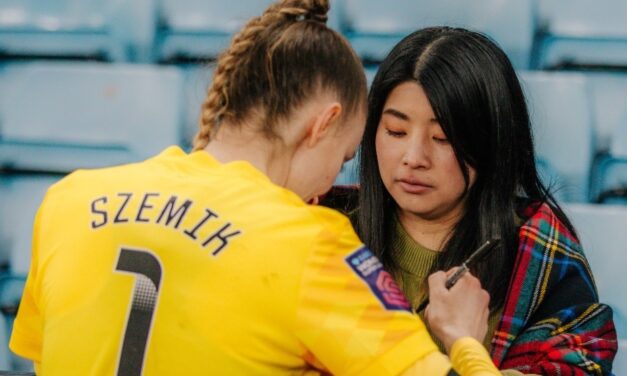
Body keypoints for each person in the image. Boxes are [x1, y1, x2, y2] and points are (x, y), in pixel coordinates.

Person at [9, 3, 501, 375]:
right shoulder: (311, 244)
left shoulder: (69, 200)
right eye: (344, 157)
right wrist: (463, 340)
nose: (332, 184)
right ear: (322, 125)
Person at [322, 27, 618, 375]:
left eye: (442, 138)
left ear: (490, 143)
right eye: (396, 132)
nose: (414, 157)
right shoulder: (325, 226)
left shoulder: (540, 253)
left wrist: (465, 344)